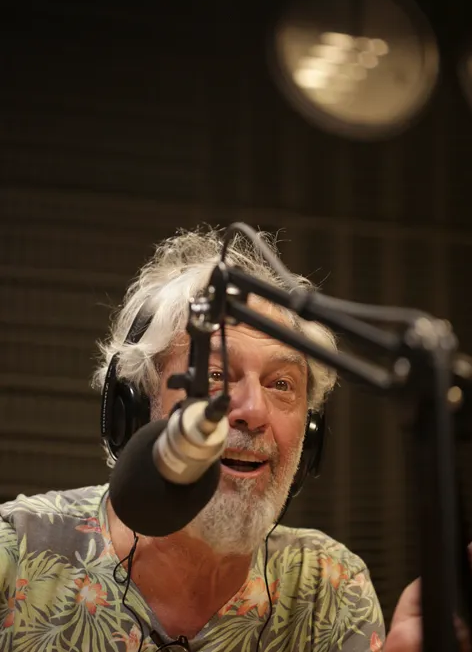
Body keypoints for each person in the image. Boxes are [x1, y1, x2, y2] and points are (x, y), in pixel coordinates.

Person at [0, 226, 385, 652]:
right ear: (136, 409)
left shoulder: (329, 588)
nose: (254, 411)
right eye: (215, 375)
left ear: (309, 435)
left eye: (281, 384)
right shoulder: (15, 554)